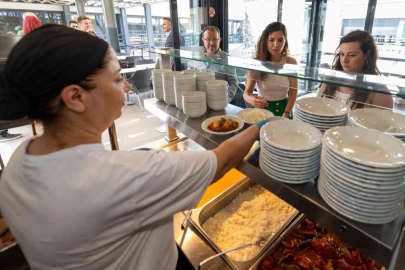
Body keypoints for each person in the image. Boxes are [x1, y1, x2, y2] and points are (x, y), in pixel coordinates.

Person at [0, 25, 260, 269]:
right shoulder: (124, 177)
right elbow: (222, 160)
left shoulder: (16, 165)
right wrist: (260, 126)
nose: (126, 85)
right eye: (115, 79)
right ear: (76, 97)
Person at [318, 30, 393, 109]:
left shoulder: (379, 91)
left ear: (367, 55)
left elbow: (381, 120)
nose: (344, 60)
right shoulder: (330, 79)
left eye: (352, 55)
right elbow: (316, 106)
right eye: (342, 54)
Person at [243, 22, 298, 119]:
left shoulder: (291, 62)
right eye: (271, 40)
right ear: (265, 41)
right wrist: (251, 99)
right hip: (261, 112)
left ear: (285, 42)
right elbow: (247, 93)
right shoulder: (256, 62)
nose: (276, 44)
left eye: (280, 40)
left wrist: (286, 113)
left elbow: (293, 93)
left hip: (285, 110)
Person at [195, 26, 239, 104]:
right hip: (201, 101)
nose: (212, 43)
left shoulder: (227, 59)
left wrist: (226, 99)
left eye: (215, 39)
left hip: (219, 101)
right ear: (203, 40)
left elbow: (233, 83)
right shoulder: (197, 58)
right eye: (208, 39)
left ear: (219, 40)